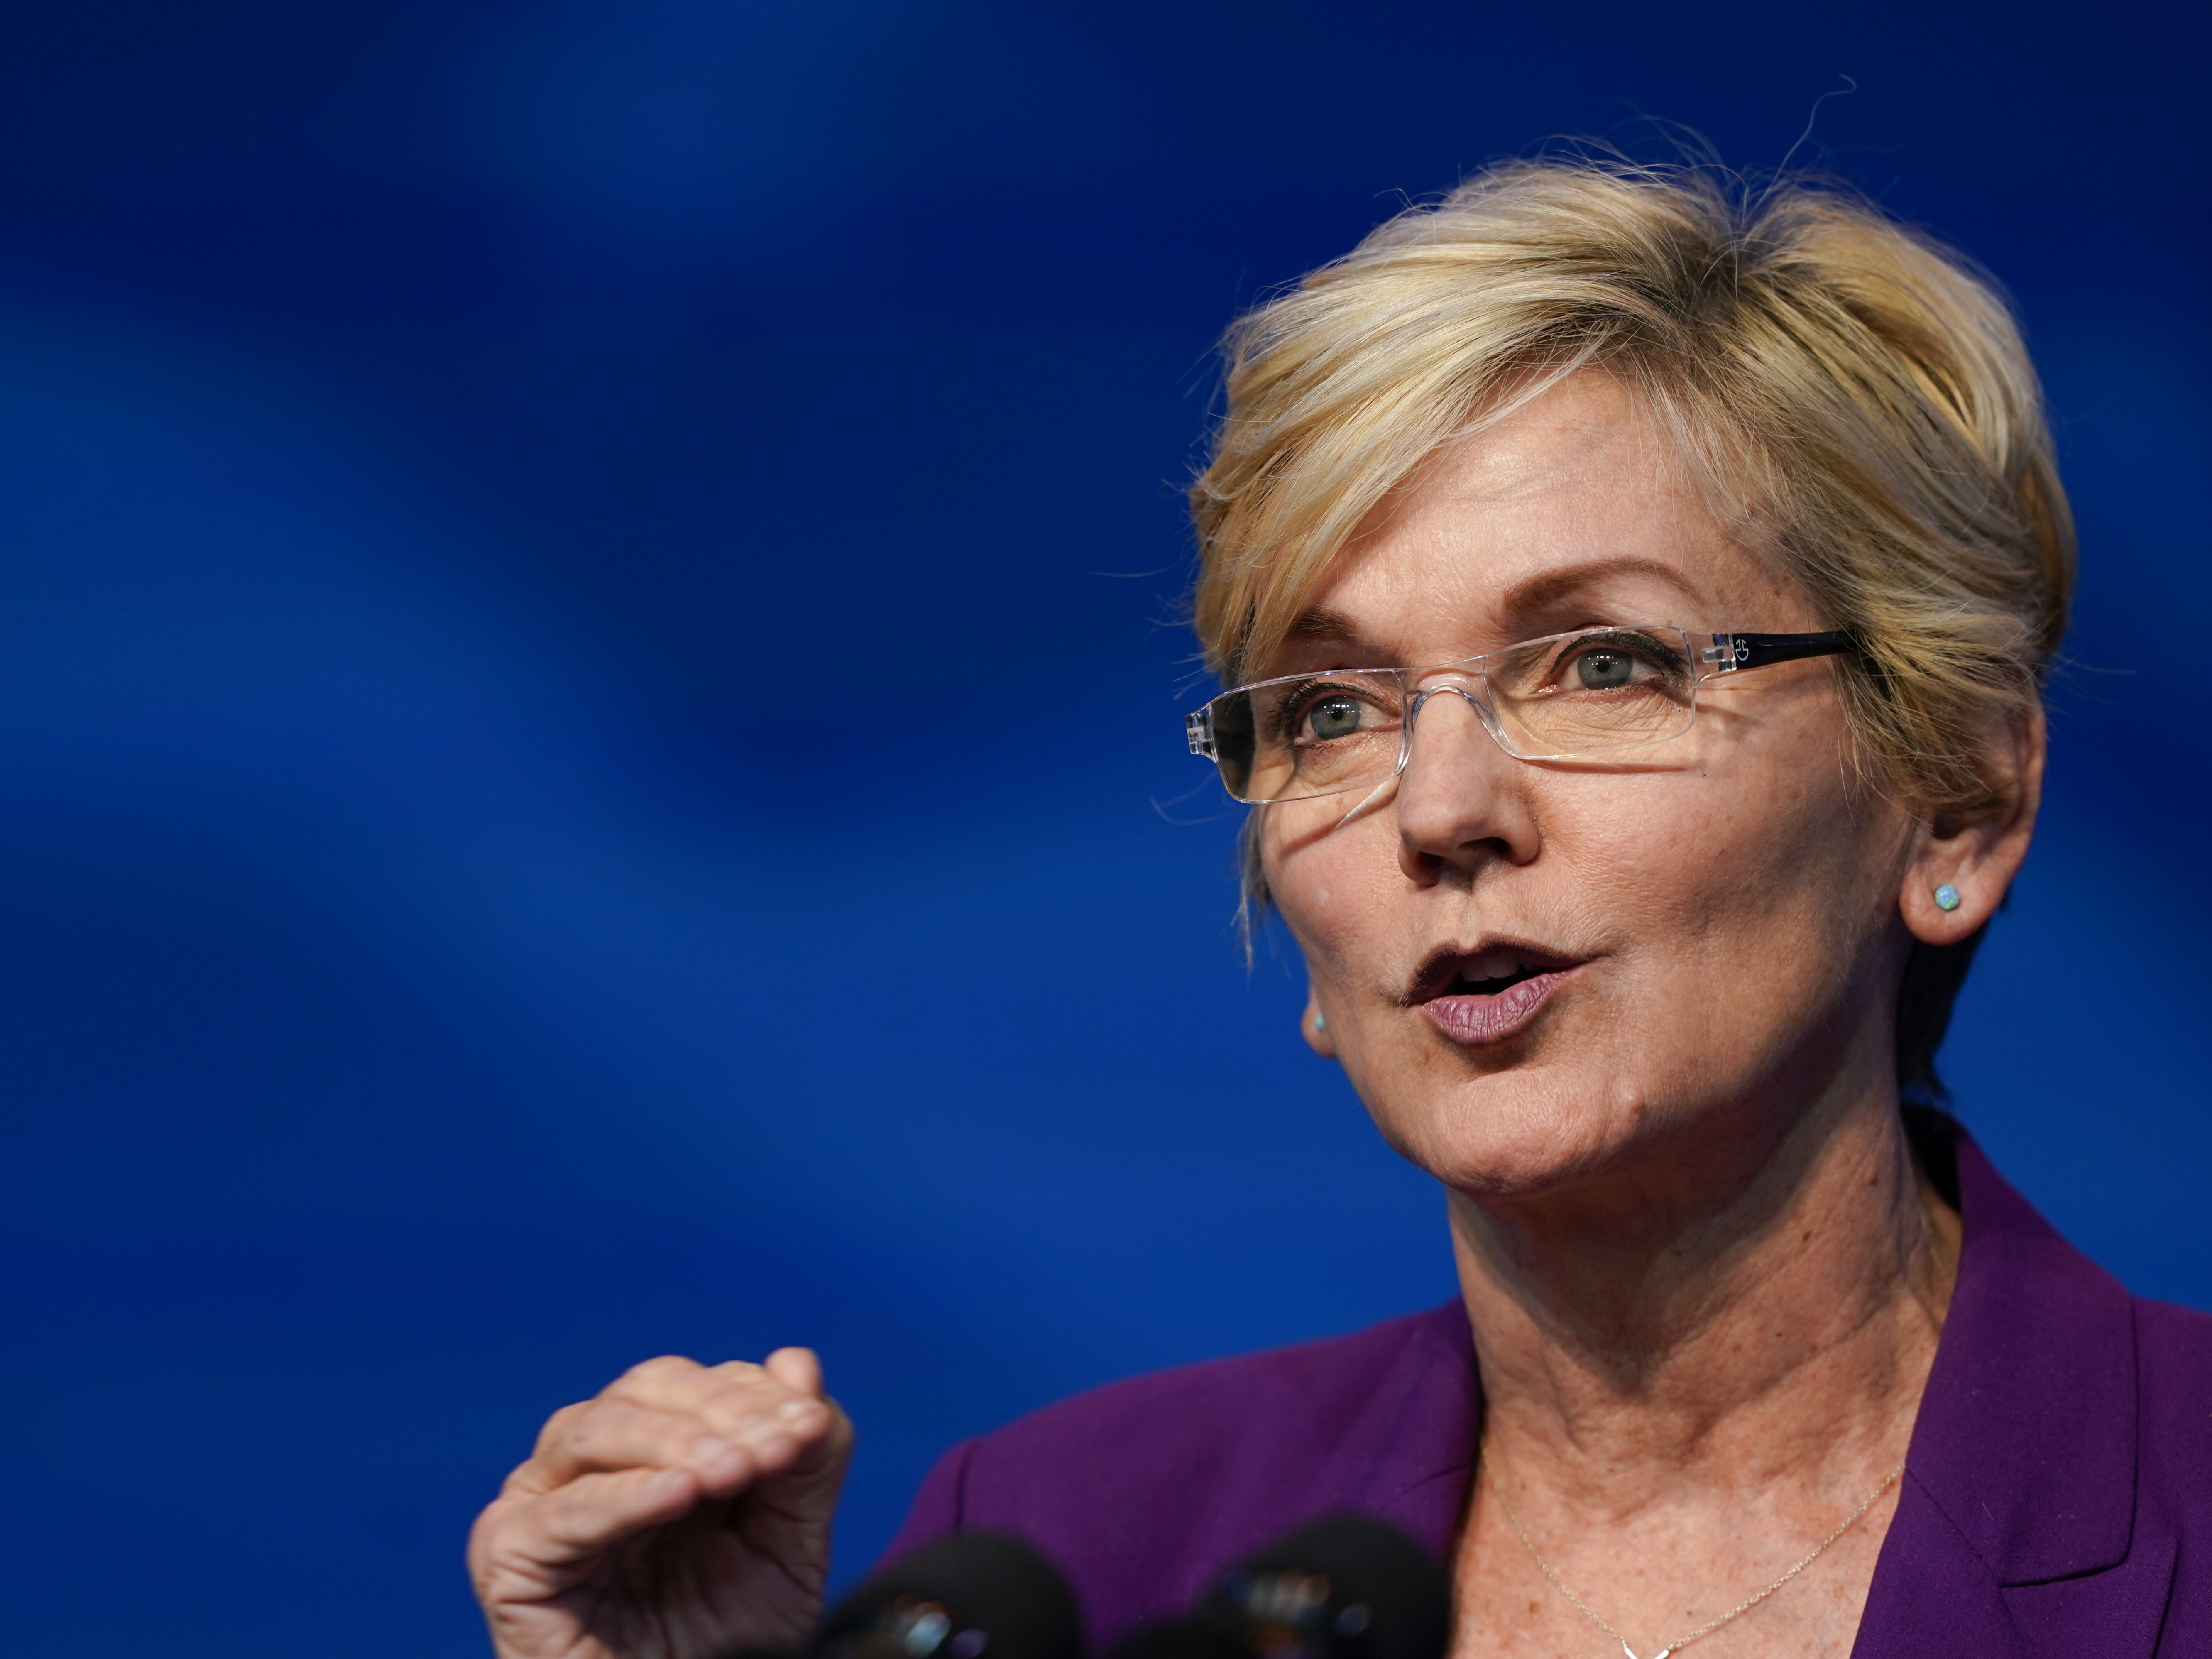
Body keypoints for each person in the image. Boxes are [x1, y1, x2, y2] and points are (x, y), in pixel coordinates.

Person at [466, 158, 2212, 1659]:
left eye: (1602, 665)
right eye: (1330, 712)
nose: (1440, 812)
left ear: (1957, 801)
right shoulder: (1073, 1550)